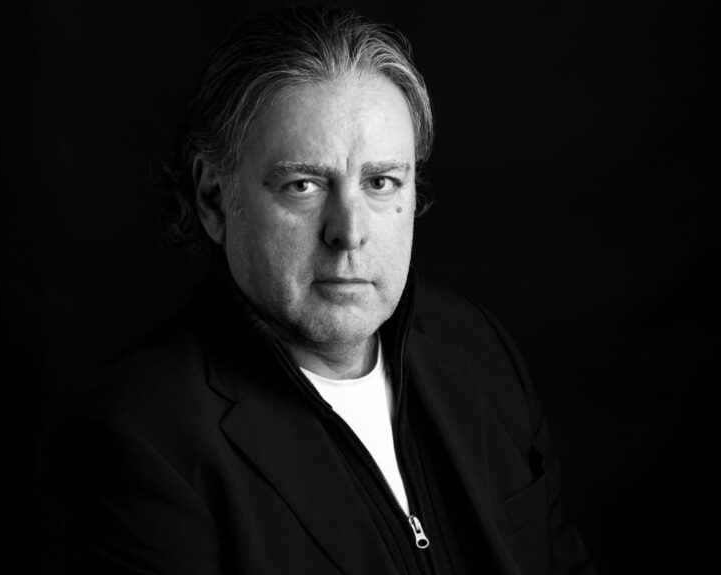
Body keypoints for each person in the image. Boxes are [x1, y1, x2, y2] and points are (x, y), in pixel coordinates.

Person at [40, 6, 596, 574]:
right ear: (213, 199)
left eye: (381, 182)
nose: (348, 232)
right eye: (303, 185)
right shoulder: (143, 444)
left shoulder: (481, 351)